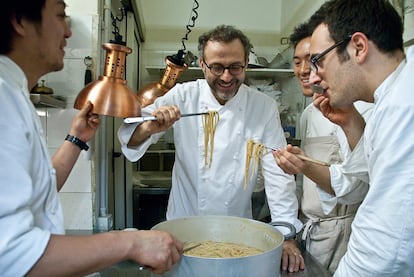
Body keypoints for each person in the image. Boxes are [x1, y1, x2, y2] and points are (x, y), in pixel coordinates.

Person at [0, 1, 182, 276]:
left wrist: (76, 139)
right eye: (61, 15)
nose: (68, 32)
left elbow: (42, 188)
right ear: (19, 21)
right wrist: (129, 242)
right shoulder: (3, 98)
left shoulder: (13, 93)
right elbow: (11, 255)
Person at [118, 24, 305, 272]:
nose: (226, 77)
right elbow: (130, 141)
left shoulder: (263, 107)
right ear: (203, 65)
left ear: (246, 63)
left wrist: (287, 237)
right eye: (217, 67)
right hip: (182, 231)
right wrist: (151, 128)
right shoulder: (182, 96)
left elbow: (278, 175)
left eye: (235, 67)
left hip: (238, 235)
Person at [304, 0, 414, 275]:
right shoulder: (389, 100)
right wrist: (352, 124)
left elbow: (387, 243)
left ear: (359, 47)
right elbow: (365, 177)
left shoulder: (404, 104)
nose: (313, 77)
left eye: (317, 61)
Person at [273, 22, 373, 273]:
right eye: (297, 62)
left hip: (344, 233)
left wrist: (304, 165)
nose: (305, 70)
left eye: (314, 59)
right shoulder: (309, 113)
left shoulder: (361, 110)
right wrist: (291, 230)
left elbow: (358, 185)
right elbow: (303, 184)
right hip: (311, 228)